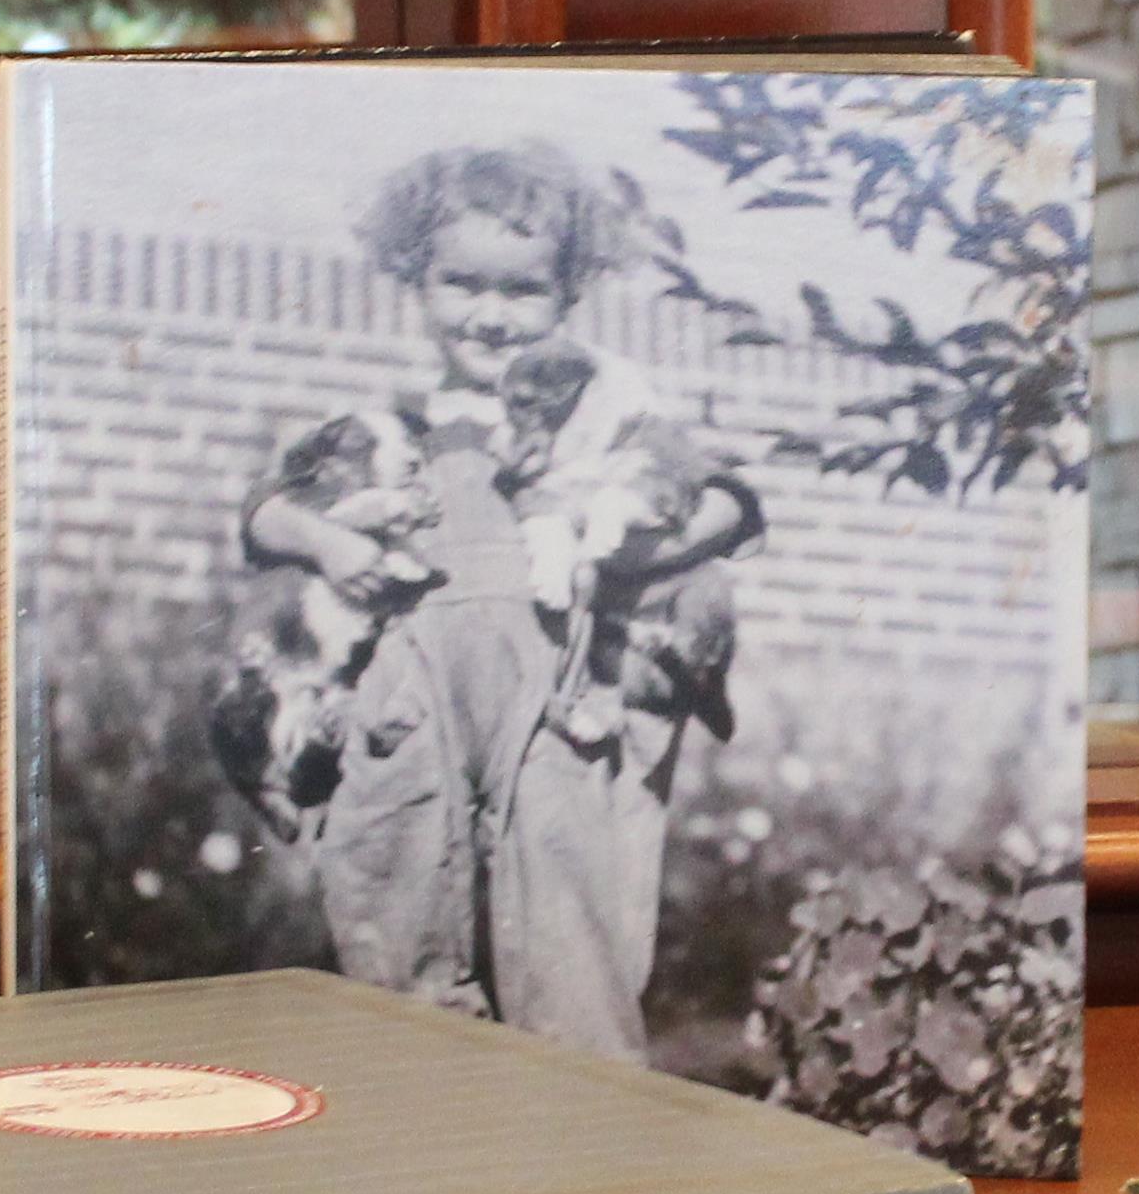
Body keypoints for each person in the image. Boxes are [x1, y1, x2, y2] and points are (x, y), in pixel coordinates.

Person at [231, 143, 761, 1054]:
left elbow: (729, 502)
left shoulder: (596, 412)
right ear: (417, 278)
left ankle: (588, 1166)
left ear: (565, 296)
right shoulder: (391, 426)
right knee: (401, 935)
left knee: (569, 950)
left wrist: (636, 551)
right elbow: (264, 520)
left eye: (523, 293)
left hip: (553, 709)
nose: (491, 316)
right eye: (462, 285)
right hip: (412, 712)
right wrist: (333, 541)